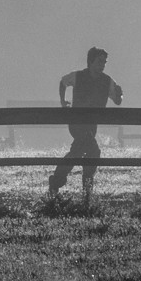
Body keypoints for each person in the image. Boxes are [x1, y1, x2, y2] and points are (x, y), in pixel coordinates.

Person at [48, 46, 123, 198]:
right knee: (93, 152)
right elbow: (63, 82)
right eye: (99, 61)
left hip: (91, 125)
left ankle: (56, 182)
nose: (102, 65)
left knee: (78, 151)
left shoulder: (107, 81)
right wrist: (63, 101)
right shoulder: (78, 76)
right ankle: (87, 192)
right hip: (77, 123)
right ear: (91, 61)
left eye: (104, 62)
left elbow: (117, 100)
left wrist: (120, 95)